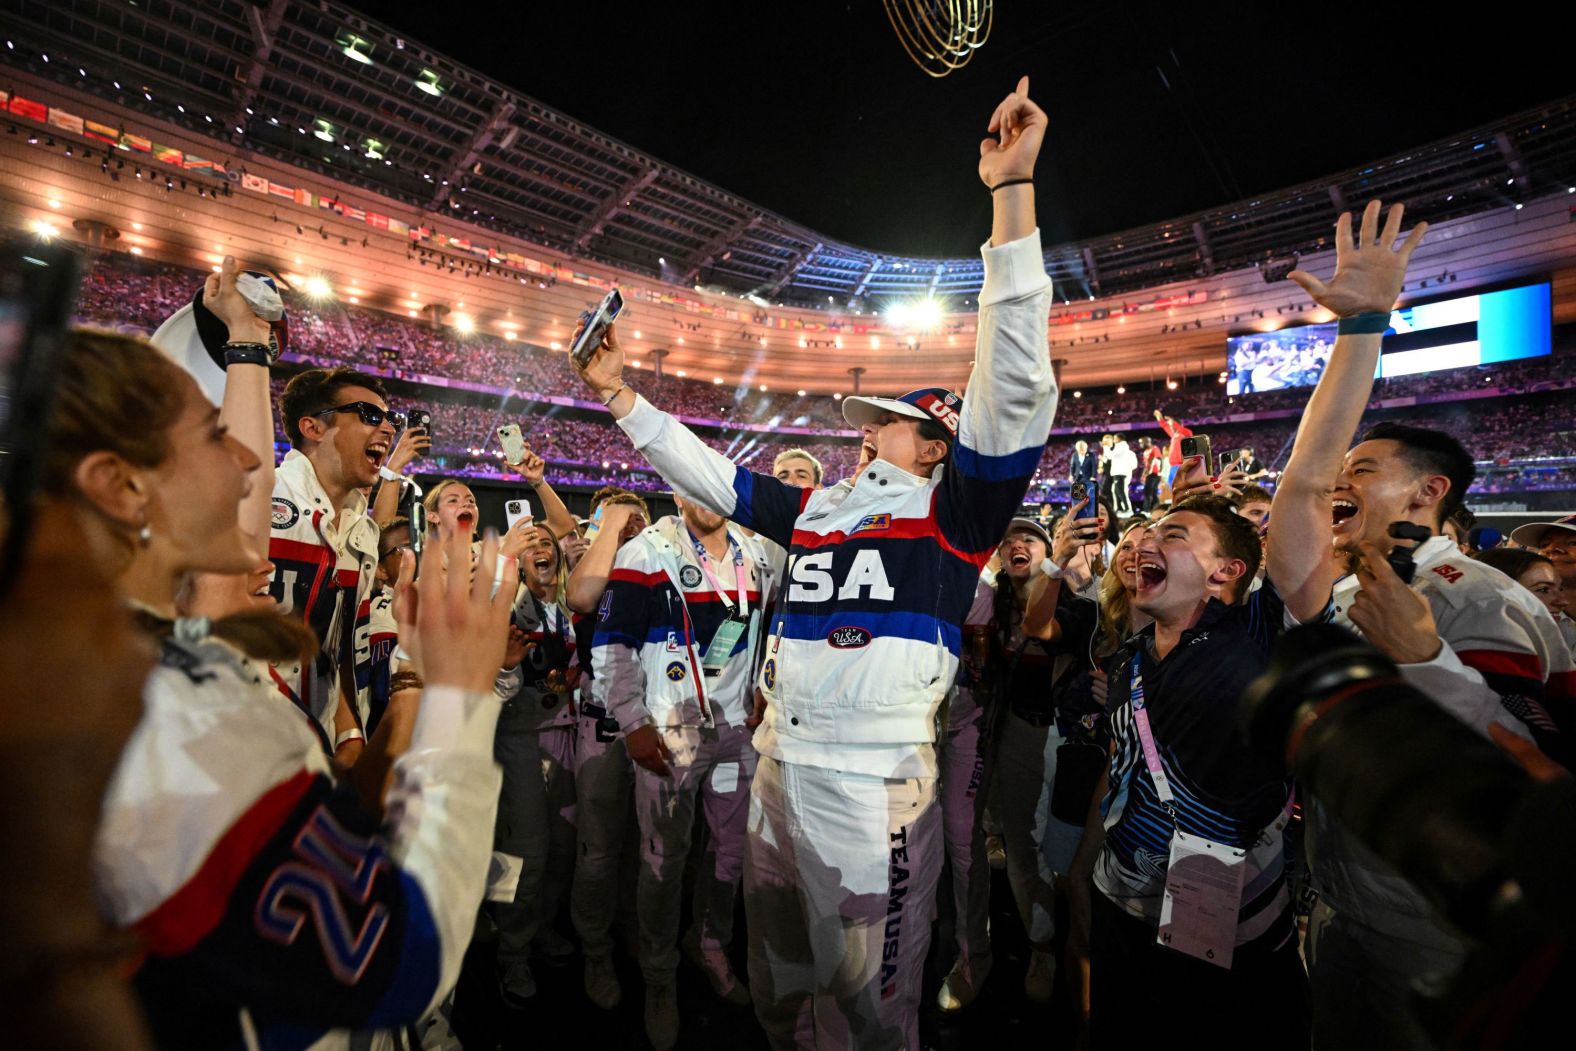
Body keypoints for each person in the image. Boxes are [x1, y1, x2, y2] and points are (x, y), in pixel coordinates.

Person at [574, 75, 1056, 1049]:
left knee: (871, 1013)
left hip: (874, 780)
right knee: (780, 986)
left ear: (935, 442)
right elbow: (711, 477)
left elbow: (1011, 381)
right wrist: (624, 402)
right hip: (780, 769)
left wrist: (1010, 198)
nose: (861, 434)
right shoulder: (814, 510)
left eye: (882, 425)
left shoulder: (958, 510)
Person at [52, 318, 515, 1047]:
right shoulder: (175, 730)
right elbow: (399, 959)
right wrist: (450, 696)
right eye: (212, 433)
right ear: (118, 486)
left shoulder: (140, 666)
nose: (244, 454)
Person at [1279, 200, 1573, 1048]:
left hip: (1445, 933)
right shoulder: (1341, 590)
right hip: (1341, 904)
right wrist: (1361, 328)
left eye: (1362, 469)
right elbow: (1299, 488)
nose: (1338, 478)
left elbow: (1540, 787)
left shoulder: (1485, 601)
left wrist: (1432, 659)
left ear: (1427, 492)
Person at [593, 495, 777, 1048]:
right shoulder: (646, 553)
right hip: (671, 733)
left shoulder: (756, 552)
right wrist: (632, 722)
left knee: (730, 853)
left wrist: (766, 685)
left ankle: (712, 945)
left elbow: (774, 630)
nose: (704, 498)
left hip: (738, 734)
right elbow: (612, 645)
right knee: (663, 860)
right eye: (690, 485)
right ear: (675, 491)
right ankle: (658, 973)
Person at [270, 366, 395, 758]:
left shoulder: (364, 531)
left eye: (391, 419)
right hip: (238, 750)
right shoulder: (259, 496)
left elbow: (337, 649)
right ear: (313, 428)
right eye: (369, 415)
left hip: (317, 751)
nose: (389, 430)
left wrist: (348, 730)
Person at [563, 487, 651, 1011]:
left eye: (637, 517)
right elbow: (581, 600)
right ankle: (595, 947)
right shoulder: (590, 567)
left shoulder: (657, 563)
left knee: (649, 850)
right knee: (597, 851)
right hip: (602, 728)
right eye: (618, 519)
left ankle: (636, 931)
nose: (630, 526)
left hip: (655, 725)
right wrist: (609, 528)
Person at [491, 522, 580, 1007]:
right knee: (526, 852)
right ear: (517, 562)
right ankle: (512, 953)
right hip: (519, 737)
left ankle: (542, 928)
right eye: (531, 546)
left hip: (567, 735)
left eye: (547, 543)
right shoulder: (506, 603)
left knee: (563, 848)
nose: (541, 549)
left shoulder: (572, 605)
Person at [1471, 548, 1572, 657]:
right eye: (1543, 589)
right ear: (1491, 593)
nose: (1563, 602)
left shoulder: (1563, 634)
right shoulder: (1461, 660)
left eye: (1560, 588)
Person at [1152, 409, 1192, 488]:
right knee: (1173, 487)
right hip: (1173, 466)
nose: (1170, 427)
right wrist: (1159, 418)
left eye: (1171, 425)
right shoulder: (1174, 435)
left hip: (1180, 465)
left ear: (1177, 424)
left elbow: (1180, 428)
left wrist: (1173, 421)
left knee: (1181, 488)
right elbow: (1164, 426)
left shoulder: (1185, 433)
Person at [1107, 434, 1137, 515]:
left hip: (1120, 472)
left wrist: (1106, 447)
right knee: (1117, 490)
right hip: (1119, 472)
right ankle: (1119, 508)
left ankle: (1126, 508)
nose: (1114, 440)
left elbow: (1110, 455)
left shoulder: (1121, 446)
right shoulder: (1122, 447)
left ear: (1119, 439)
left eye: (1115, 438)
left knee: (1120, 490)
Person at [1138, 436, 1163, 512]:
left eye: (1141, 442)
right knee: (1153, 493)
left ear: (1147, 441)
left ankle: (1146, 510)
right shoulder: (1145, 452)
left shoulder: (1154, 448)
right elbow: (1146, 465)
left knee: (1148, 492)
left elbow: (1159, 459)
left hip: (1154, 474)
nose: (1140, 444)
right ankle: (1159, 509)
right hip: (1149, 474)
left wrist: (1159, 471)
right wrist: (1143, 475)